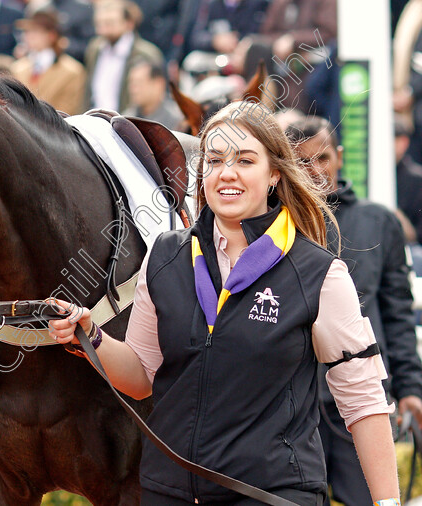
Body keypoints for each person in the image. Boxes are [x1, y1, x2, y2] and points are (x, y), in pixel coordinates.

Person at [48, 101, 400, 505]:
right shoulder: (163, 256)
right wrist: (91, 335)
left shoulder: (319, 274)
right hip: (168, 492)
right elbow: (142, 377)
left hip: (270, 495)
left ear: (274, 175)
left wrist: (388, 504)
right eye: (214, 160)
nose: (227, 172)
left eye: (245, 160)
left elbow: (364, 402)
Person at [286, 116, 422, 506]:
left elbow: (397, 314)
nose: (314, 170)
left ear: (340, 157)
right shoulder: (274, 226)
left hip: (359, 407)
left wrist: (410, 388)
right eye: (302, 162)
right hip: (292, 409)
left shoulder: (378, 223)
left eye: (322, 158)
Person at [84, 0, 163, 113]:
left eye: (110, 23)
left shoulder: (146, 54)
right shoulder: (94, 49)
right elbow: (88, 91)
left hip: (127, 123)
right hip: (94, 118)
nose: (103, 29)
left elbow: (152, 99)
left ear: (129, 23)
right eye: (100, 23)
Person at [10, 9, 85, 115]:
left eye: (35, 31)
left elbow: (67, 112)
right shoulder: (18, 68)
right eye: (27, 31)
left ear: (52, 35)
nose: (29, 36)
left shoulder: (73, 71)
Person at [121, 57, 182, 129]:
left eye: (139, 83)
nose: (133, 89)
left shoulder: (176, 121)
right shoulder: (125, 120)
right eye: (131, 83)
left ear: (158, 84)